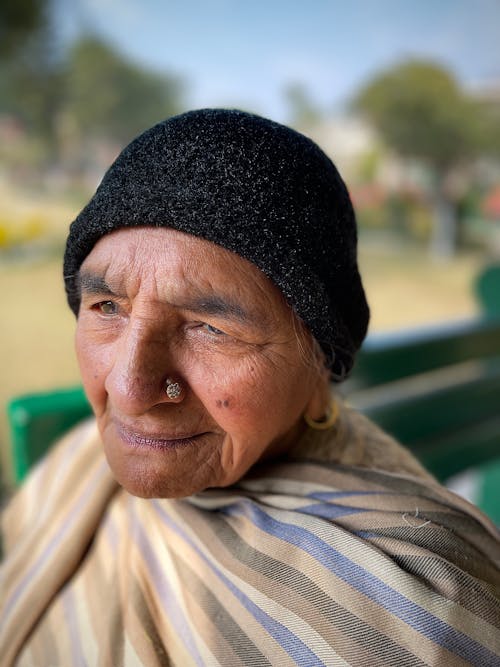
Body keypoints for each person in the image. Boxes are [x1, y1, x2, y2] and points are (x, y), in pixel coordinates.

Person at [1, 109, 499, 666]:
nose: (128, 388)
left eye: (210, 328)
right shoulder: (80, 463)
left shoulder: (421, 605)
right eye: (107, 306)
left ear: (319, 372)